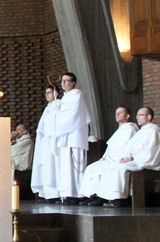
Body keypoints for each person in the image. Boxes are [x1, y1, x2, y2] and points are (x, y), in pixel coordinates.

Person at [81, 107, 160, 208]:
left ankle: (119, 199)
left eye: (140, 115)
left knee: (117, 167)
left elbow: (150, 152)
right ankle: (106, 197)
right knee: (109, 166)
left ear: (149, 117)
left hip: (146, 161)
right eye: (137, 115)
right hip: (136, 159)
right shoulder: (143, 131)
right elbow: (130, 149)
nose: (137, 118)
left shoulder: (153, 130)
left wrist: (132, 158)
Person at [79, 106, 139, 206]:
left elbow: (126, 148)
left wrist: (112, 158)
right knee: (92, 168)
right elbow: (112, 148)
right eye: (116, 113)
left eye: (120, 112)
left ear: (127, 116)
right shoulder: (120, 130)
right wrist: (106, 157)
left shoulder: (130, 129)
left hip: (119, 159)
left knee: (110, 168)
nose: (117, 115)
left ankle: (106, 197)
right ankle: (94, 196)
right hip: (111, 159)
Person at [54, 72, 92, 205]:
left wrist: (58, 122)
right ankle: (67, 194)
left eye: (66, 81)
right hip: (65, 135)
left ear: (73, 82)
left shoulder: (77, 96)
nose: (63, 83)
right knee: (66, 166)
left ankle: (78, 194)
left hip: (74, 135)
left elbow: (73, 114)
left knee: (76, 164)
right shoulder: (64, 97)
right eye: (62, 81)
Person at [31, 85, 61, 203]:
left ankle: (55, 193)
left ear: (56, 93)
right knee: (45, 166)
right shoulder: (48, 107)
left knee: (52, 166)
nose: (47, 95)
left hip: (52, 141)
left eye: (49, 92)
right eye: (46, 93)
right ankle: (47, 194)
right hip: (45, 143)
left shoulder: (58, 105)